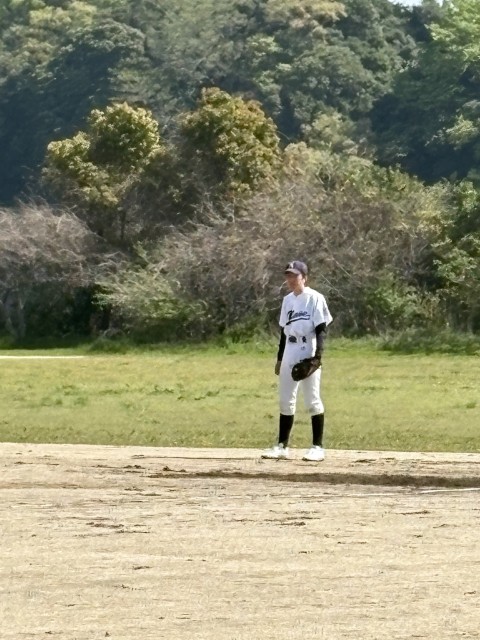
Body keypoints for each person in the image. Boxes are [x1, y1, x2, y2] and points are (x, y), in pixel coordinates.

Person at [261, 260, 333, 461]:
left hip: (308, 347)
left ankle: (317, 447)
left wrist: (317, 357)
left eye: (295, 275)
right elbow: (284, 332)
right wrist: (280, 358)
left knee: (312, 399)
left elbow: (321, 329)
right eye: (288, 276)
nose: (291, 279)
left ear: (304, 277)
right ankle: (282, 446)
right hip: (290, 350)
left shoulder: (315, 298)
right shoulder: (287, 300)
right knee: (285, 399)